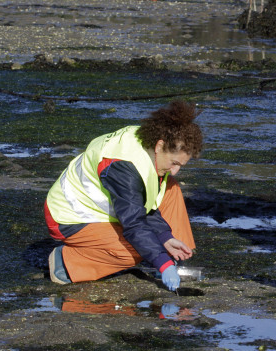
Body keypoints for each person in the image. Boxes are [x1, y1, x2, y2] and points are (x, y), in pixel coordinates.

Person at [44, 101, 203, 292]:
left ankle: (172, 260)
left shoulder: (148, 144)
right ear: (160, 145)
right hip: (69, 217)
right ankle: (66, 264)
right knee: (134, 251)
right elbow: (134, 223)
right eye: (174, 162)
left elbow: (145, 203)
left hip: (105, 209)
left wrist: (165, 237)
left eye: (180, 166)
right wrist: (158, 257)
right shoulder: (123, 167)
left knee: (171, 188)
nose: (175, 170)